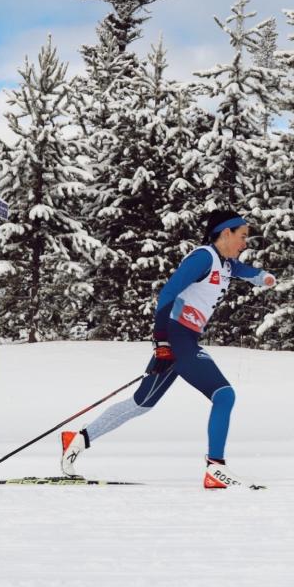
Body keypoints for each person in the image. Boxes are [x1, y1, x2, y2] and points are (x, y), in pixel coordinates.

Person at [60, 210, 276, 489]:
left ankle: (77, 440)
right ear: (225, 233)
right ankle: (216, 468)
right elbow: (167, 294)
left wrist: (264, 277)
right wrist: (162, 341)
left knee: (142, 403)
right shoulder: (203, 257)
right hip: (176, 337)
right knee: (224, 395)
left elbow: (246, 272)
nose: (245, 243)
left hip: (183, 340)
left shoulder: (225, 264)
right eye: (243, 236)